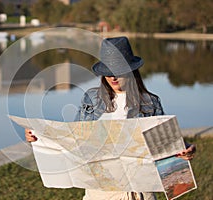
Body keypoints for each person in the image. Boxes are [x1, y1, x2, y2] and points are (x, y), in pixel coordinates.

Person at [25, 37, 196, 200]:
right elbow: (73, 139)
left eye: (118, 71)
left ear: (131, 69)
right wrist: (38, 137)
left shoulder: (150, 103)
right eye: (107, 72)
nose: (112, 77)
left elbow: (165, 146)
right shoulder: (91, 99)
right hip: (100, 192)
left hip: (139, 192)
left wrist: (184, 149)